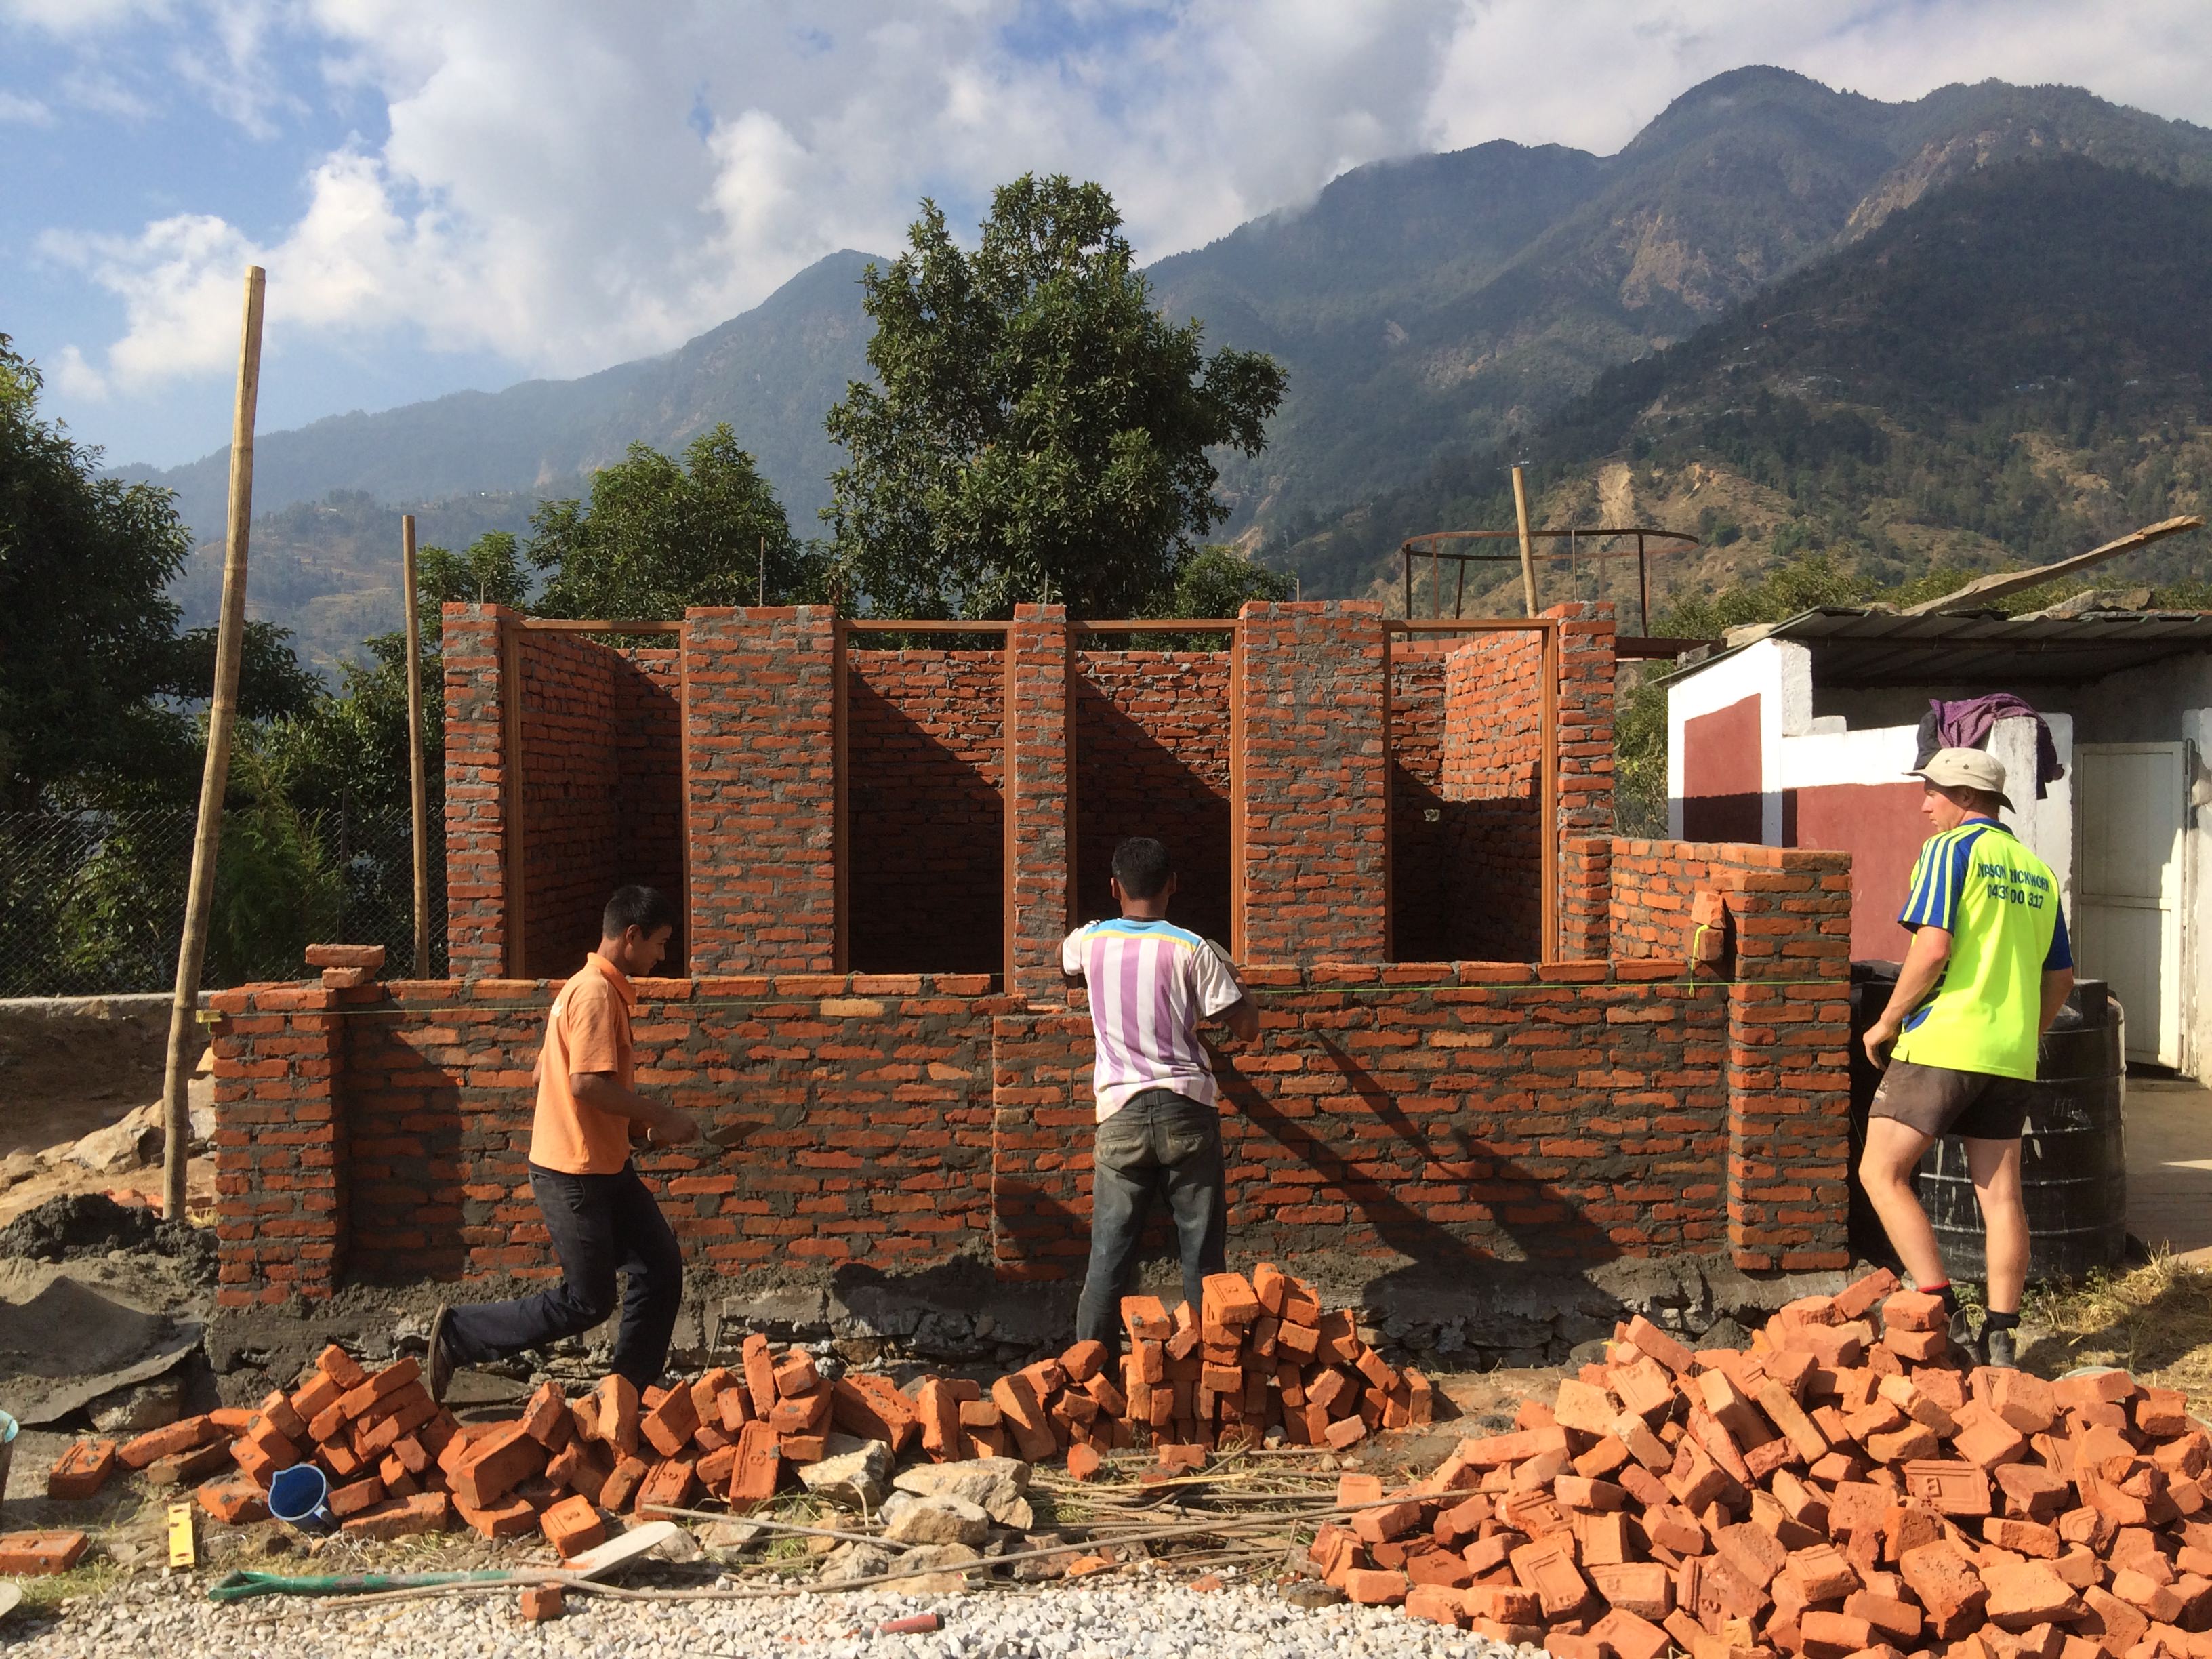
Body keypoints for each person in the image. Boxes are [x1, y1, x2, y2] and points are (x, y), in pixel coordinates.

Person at [424, 885, 701, 1398]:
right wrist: (661, 1117)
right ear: (631, 936)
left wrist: (632, 1131)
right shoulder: (594, 992)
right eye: (659, 944)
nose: (664, 957)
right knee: (587, 1301)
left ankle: (628, 1391)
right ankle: (460, 1335)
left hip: (604, 1165)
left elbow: (543, 1076)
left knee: (660, 1265)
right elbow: (584, 1084)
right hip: (574, 1176)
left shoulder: (587, 987)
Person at [1858, 748, 2074, 1370]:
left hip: (1945, 1041)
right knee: (2002, 1196)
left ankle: (1941, 1310)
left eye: (1933, 793)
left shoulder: (1952, 852)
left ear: (1966, 798)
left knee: (1881, 1172)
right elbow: (2060, 979)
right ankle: (2002, 1337)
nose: (1925, 805)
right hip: (2011, 1052)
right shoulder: (2036, 871)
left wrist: (1888, 1020)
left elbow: (1932, 948)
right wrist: (2023, 1033)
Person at [1062, 837, 1260, 1353]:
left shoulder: (1090, 943)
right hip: (1186, 1111)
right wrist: (1235, 979)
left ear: (1114, 887)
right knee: (1202, 1256)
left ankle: (1091, 1377)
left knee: (1108, 1257)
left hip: (1120, 1116)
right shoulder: (1192, 948)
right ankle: (1210, 1371)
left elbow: (1063, 964)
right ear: (1173, 885)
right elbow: (1246, 1029)